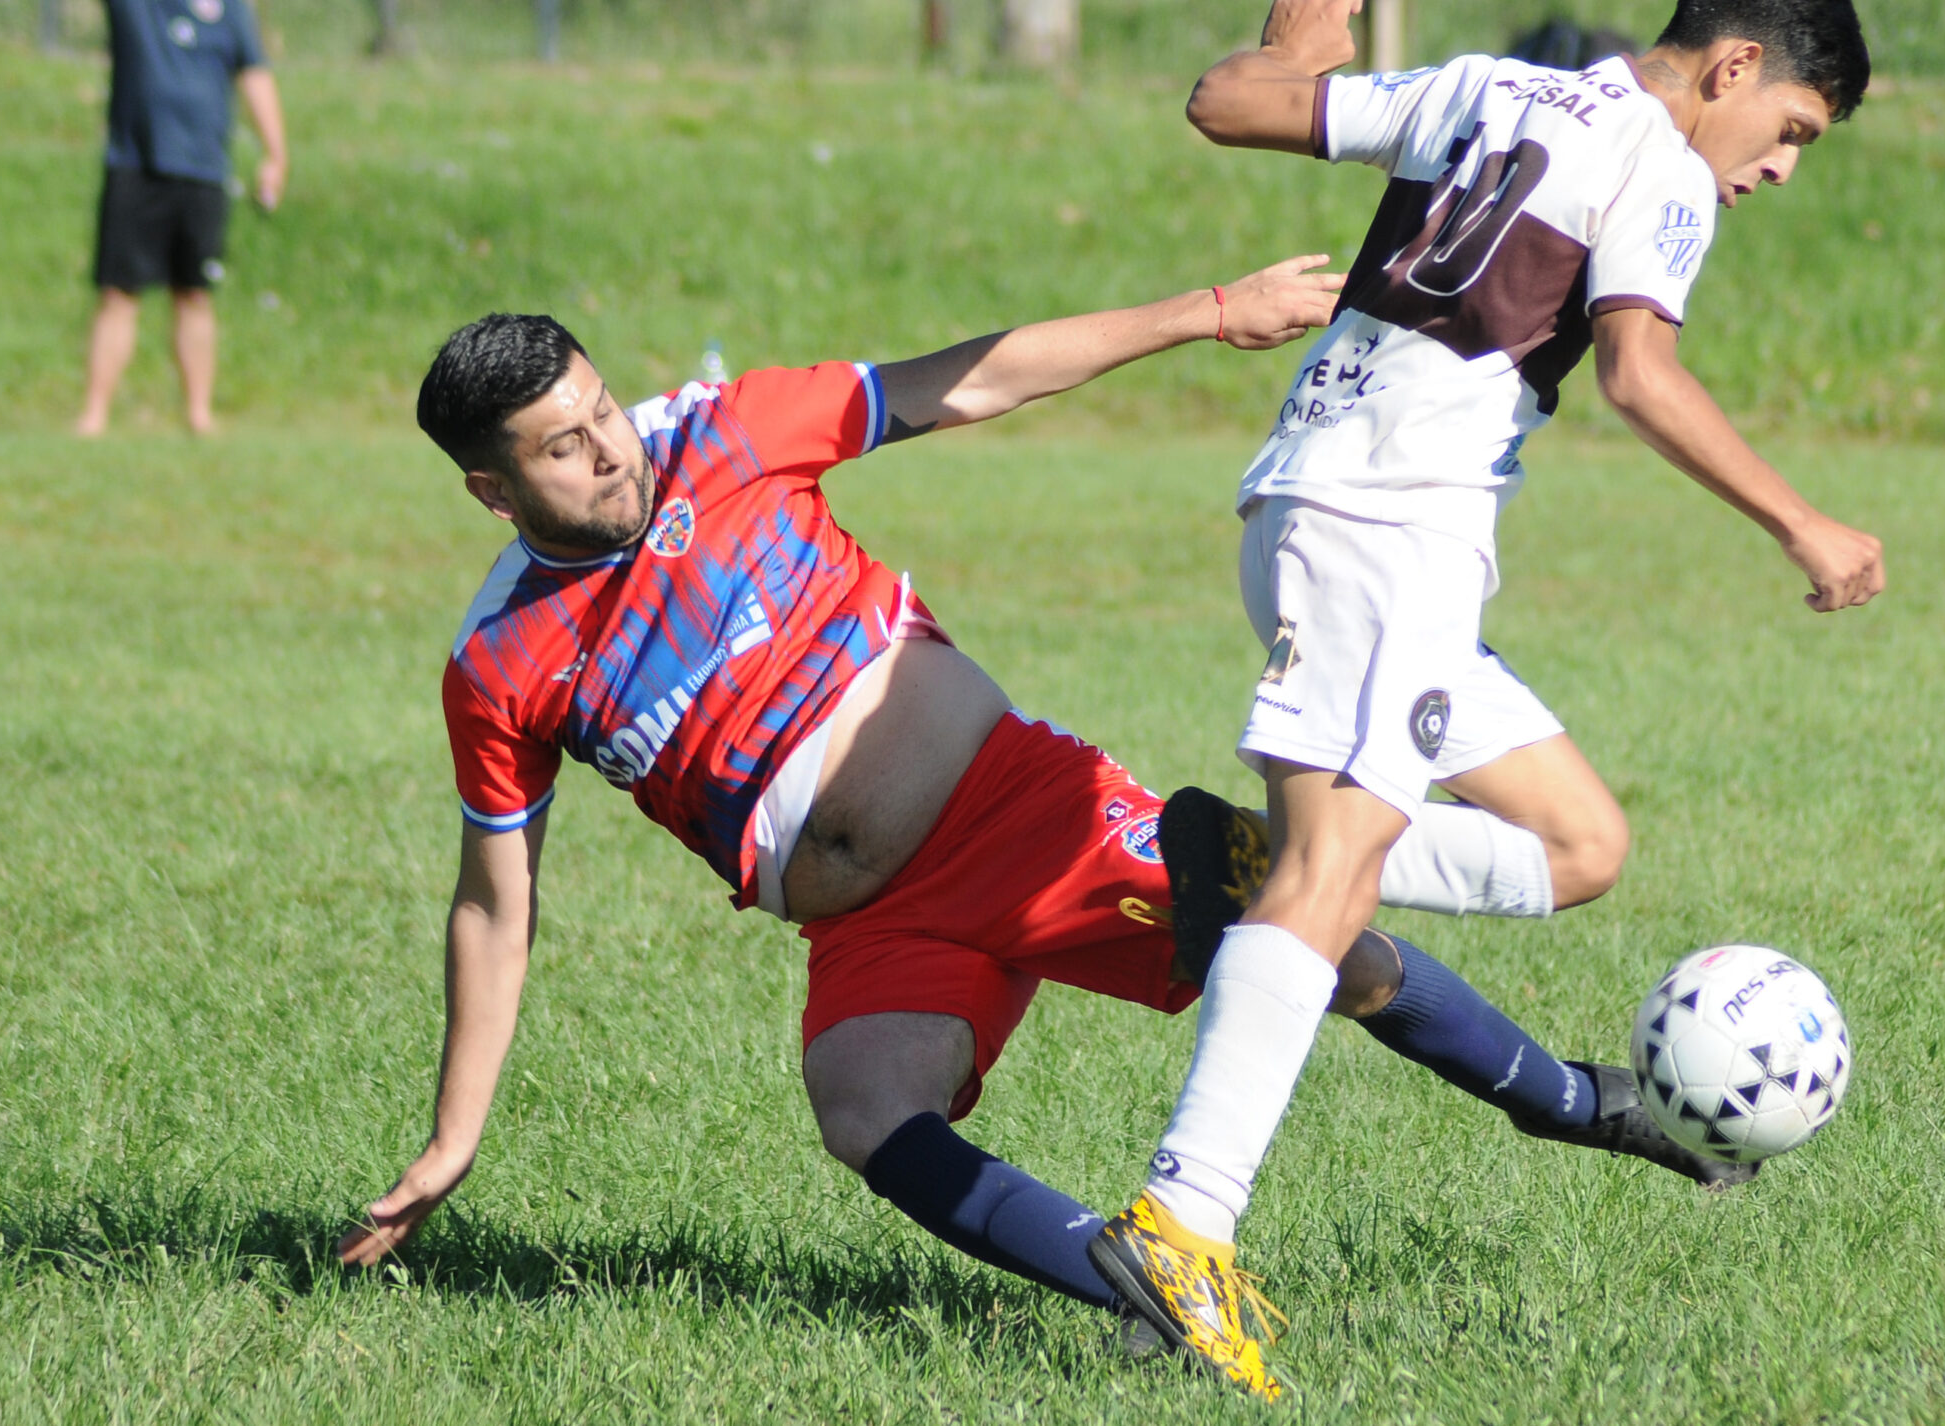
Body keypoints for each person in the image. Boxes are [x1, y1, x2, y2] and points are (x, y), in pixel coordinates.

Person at [333, 262, 1738, 1386]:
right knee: (862, 1109)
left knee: (1318, 943)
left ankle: (1578, 1103)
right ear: (491, 489)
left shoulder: (722, 432)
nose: (610, 451)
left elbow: (972, 377)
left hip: (1017, 815)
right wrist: (456, 1135)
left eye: (600, 410)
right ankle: (1152, 1293)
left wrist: (1207, 311)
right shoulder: (501, 662)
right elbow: (494, 903)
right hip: (869, 923)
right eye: (563, 448)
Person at [1087, 0, 1889, 1396]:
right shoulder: (1659, 167)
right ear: (1732, 68)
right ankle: (1181, 1224)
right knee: (1334, 876)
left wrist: (1290, 56)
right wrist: (1803, 520)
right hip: (1389, 530)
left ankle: (1265, 871)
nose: (1781, 167)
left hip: (1313, 512)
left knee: (1578, 844)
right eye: (1792, 129)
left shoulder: (1486, 85)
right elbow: (1639, 371)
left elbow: (1227, 103)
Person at [65, 0, 287, 437]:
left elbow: (255, 78)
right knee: (118, 295)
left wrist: (275, 153)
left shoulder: (227, 4)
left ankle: (198, 416)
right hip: (135, 165)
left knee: (193, 295)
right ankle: (93, 417)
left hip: (203, 171)